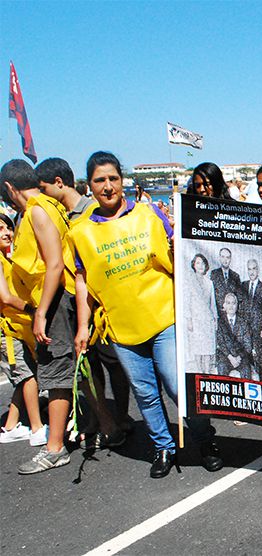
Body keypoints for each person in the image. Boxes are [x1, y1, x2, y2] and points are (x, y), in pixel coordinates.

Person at [68, 151, 223, 478]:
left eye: (113, 178)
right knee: (145, 393)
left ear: (122, 181)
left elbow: (177, 250)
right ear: (89, 186)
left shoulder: (150, 214)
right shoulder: (79, 232)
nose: (108, 187)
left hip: (164, 317)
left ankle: (204, 440)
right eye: (100, 180)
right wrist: (82, 326)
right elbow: (82, 281)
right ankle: (163, 447)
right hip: (122, 328)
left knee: (177, 386)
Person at [36, 157, 130, 447]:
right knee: (89, 364)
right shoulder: (62, 214)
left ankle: (120, 418)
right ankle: (102, 417)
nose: (41, 195)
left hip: (99, 303)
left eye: (43, 189)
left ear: (60, 183)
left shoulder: (91, 212)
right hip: (77, 303)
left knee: (113, 363)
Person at [1, 159, 75, 475]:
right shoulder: (44, 207)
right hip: (53, 301)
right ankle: (107, 425)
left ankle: (55, 448)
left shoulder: (37, 211)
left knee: (56, 372)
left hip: (54, 303)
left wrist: (40, 312)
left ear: (8, 188)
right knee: (66, 371)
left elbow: (54, 265)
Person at [0, 213, 46, 446]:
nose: (6, 232)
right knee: (28, 377)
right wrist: (34, 309)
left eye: (8, 227)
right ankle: (38, 428)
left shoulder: (5, 257)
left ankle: (10, 426)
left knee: (23, 376)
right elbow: (6, 297)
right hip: (8, 330)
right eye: (0, 229)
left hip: (16, 328)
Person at [185, 254, 217, 374]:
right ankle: (199, 371)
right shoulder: (189, 281)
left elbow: (212, 303)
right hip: (196, 320)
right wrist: (189, 320)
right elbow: (187, 301)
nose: (201, 266)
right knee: (198, 347)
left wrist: (215, 320)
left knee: (208, 348)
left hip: (208, 319)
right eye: (198, 263)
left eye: (203, 263)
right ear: (194, 265)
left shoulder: (209, 283)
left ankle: (207, 372)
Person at [240, 258, 262, 380]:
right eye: (249, 269)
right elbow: (239, 306)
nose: (251, 272)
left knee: (259, 357)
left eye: (254, 268)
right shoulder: (243, 285)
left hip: (258, 330)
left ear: (258, 270)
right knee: (246, 356)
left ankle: (261, 379)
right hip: (245, 329)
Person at [215, 292, 253, 379]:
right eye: (228, 303)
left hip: (241, 358)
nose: (231, 306)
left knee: (246, 370)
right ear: (224, 306)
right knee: (221, 368)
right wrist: (230, 357)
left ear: (237, 305)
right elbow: (221, 343)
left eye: (233, 303)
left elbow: (248, 346)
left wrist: (238, 358)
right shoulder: (220, 322)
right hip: (226, 357)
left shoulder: (244, 323)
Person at [209, 248, 241, 318]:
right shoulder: (214, 274)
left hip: (231, 315)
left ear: (230, 259)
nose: (225, 260)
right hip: (218, 314)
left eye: (228, 257)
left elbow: (239, 297)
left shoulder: (235, 276)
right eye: (223, 257)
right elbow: (212, 295)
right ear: (219, 258)